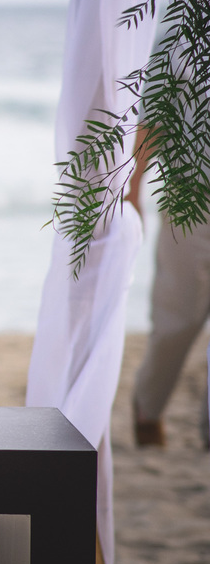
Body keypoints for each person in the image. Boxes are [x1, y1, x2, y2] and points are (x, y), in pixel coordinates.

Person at [125, 124, 210, 449]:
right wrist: (133, 190)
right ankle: (148, 405)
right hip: (191, 198)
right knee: (177, 319)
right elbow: (152, 122)